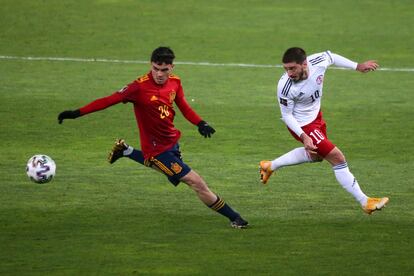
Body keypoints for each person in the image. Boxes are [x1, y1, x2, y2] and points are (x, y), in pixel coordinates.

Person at [58, 46, 248, 228]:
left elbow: (183, 106)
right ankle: (235, 218)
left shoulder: (175, 82)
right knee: (195, 182)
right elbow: (109, 100)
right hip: (156, 149)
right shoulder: (138, 88)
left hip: (172, 141)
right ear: (151, 65)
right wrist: (76, 113)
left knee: (172, 174)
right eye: (156, 69)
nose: (159, 74)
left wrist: (200, 123)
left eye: (164, 70)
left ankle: (126, 150)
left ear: (171, 67)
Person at [259, 47, 389, 215]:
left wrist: (357, 66)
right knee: (337, 157)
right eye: (286, 69)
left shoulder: (317, 62)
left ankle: (270, 166)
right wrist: (304, 137)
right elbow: (287, 116)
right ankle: (366, 202)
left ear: (304, 64)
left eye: (292, 68)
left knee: (316, 156)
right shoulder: (285, 87)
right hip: (302, 126)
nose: (289, 73)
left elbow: (332, 57)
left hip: (317, 117)